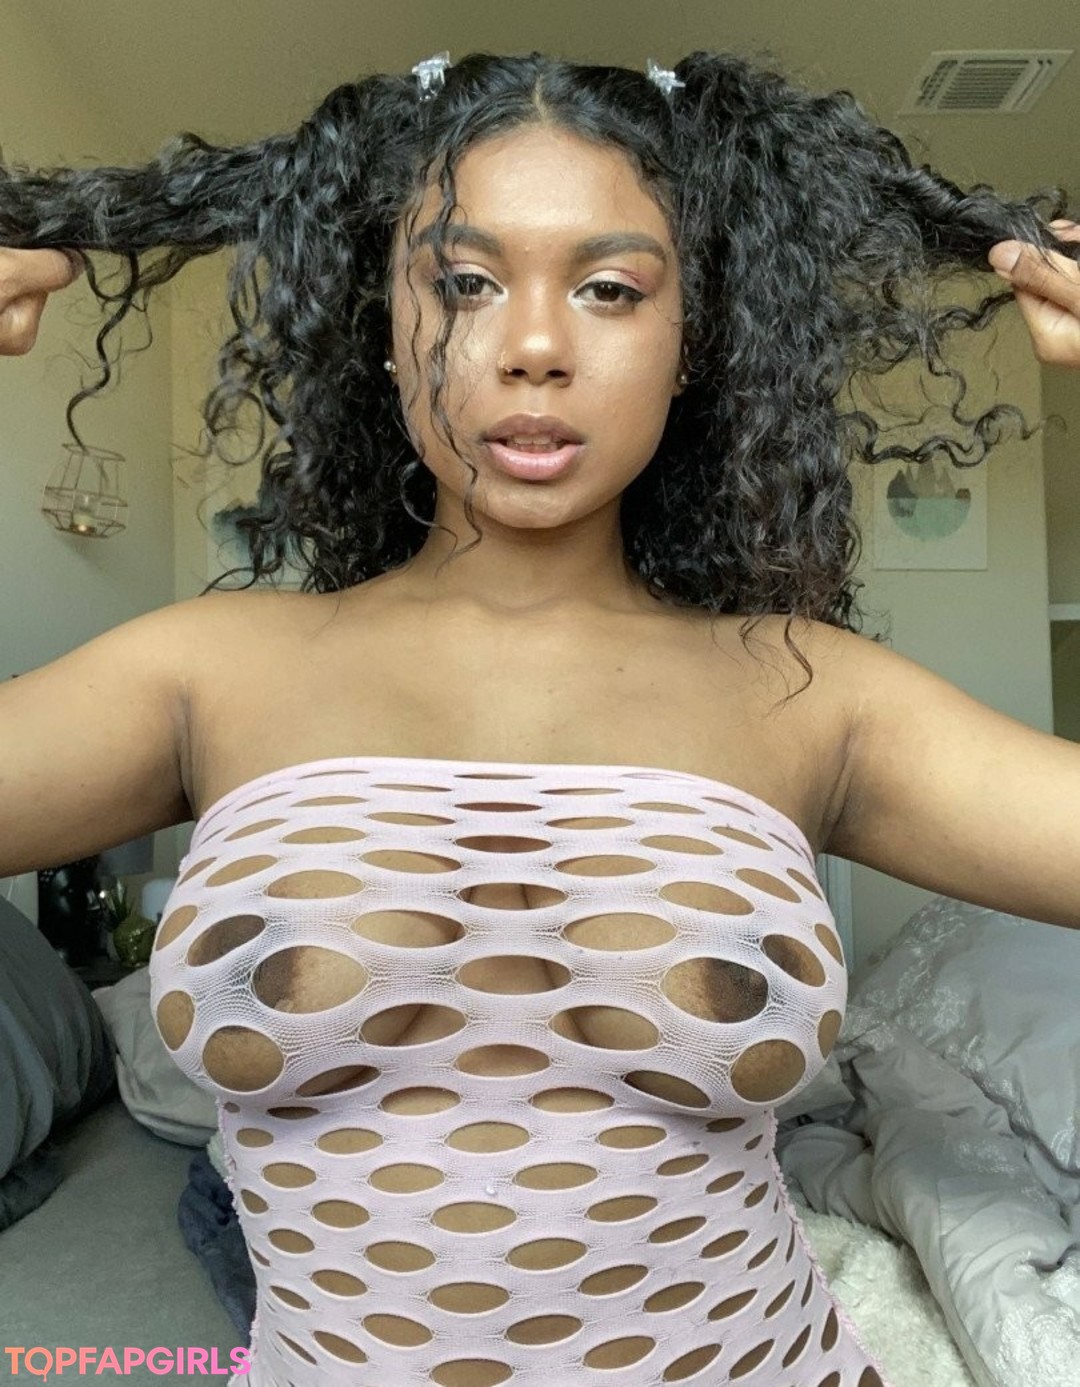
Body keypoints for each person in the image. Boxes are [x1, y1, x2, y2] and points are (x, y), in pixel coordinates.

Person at [2, 47, 1079, 1387]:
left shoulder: (812, 695)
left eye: (611, 288)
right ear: (382, 322)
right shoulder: (201, 676)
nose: (531, 348)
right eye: (463, 282)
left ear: (693, 342)